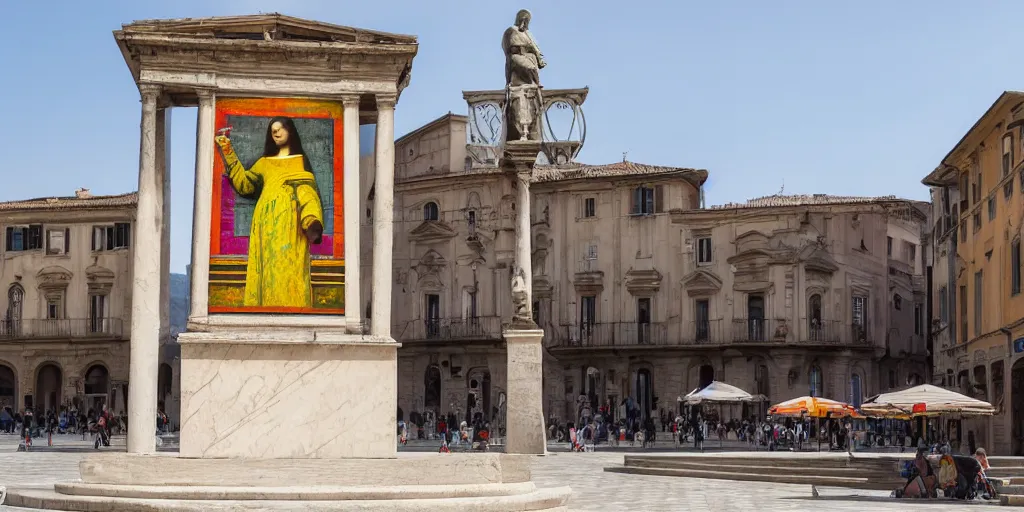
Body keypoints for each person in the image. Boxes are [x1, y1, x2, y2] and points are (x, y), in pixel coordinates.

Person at [214, 117, 325, 308]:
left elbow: (307, 193)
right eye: (273, 130)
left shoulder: (300, 162)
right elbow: (245, 185)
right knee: (266, 270)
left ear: (291, 131)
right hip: (265, 223)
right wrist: (227, 150)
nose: (277, 132)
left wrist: (311, 220)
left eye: (281, 128)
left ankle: (292, 311)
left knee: (290, 270)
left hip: (290, 224)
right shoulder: (264, 163)